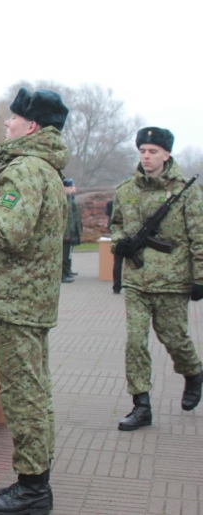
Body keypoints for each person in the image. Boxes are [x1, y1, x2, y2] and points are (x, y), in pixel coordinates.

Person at [0, 87, 69, 515]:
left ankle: (33, 489)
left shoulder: (24, 169)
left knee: (22, 395)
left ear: (32, 126)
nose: (6, 123)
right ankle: (34, 478)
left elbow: (8, 232)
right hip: (31, 301)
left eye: (13, 117)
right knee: (35, 391)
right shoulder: (45, 169)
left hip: (16, 302)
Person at [111, 126, 203, 432]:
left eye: (153, 151)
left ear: (166, 154)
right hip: (136, 280)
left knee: (174, 338)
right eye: (142, 151)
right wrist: (119, 244)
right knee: (135, 342)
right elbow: (116, 225)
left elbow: (199, 237)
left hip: (172, 280)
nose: (146, 157)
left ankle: (193, 372)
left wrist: (200, 277)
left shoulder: (186, 192)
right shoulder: (126, 190)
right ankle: (141, 405)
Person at [62, 178, 82, 283]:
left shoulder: (70, 199)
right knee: (64, 256)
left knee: (68, 254)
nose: (73, 189)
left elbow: (74, 217)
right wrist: (65, 233)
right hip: (66, 233)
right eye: (70, 187)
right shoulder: (63, 199)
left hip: (71, 231)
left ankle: (67, 271)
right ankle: (63, 274)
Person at [105, 199, 123, 293]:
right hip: (131, 234)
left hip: (118, 235)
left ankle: (116, 286)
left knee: (117, 263)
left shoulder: (111, 203)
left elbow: (110, 222)